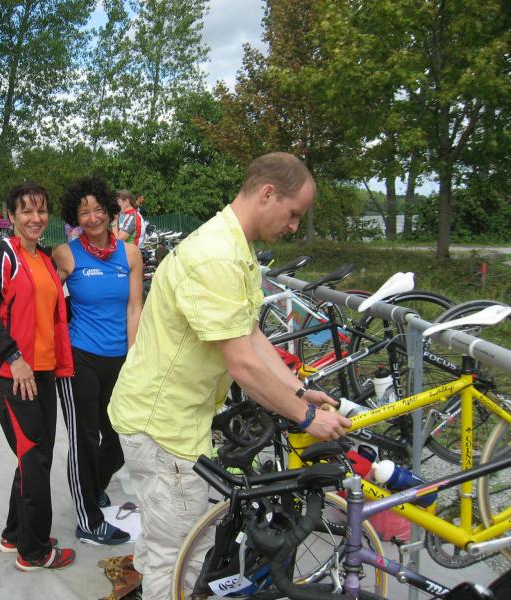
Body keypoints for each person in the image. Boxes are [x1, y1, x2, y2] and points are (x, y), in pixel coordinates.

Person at [107, 152, 352, 599]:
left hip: (171, 420)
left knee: (166, 541)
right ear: (267, 194)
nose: (294, 226)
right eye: (293, 213)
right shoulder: (217, 256)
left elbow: (251, 334)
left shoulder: (235, 247)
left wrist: (299, 390)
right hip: (162, 427)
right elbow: (241, 362)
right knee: (180, 555)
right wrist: (306, 418)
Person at [0, 181, 76, 572]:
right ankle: (34, 551)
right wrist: (13, 357)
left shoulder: (44, 259)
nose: (36, 218)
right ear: (11, 216)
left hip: (43, 371)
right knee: (34, 458)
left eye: (42, 210)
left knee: (34, 456)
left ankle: (15, 533)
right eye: (27, 211)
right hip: (12, 374)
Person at [52, 177, 143, 546]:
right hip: (80, 358)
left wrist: (133, 358)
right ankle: (88, 520)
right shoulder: (66, 254)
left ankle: (94, 487)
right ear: (75, 218)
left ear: (109, 210)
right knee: (85, 439)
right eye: (83, 212)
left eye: (98, 209)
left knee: (121, 436)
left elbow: (135, 308)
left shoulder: (130, 254)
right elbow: (44, 296)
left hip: (119, 359)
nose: (92, 217)